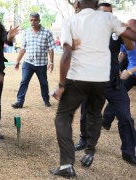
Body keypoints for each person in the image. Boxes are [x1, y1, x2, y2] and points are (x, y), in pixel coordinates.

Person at [49, 0, 136, 178]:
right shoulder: (103, 20)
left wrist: (61, 85)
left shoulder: (77, 21)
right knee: (92, 114)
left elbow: (66, 53)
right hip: (99, 79)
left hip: (93, 79)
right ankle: (88, 149)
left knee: (65, 117)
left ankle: (68, 163)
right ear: (96, 4)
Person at [74, 3, 136, 166]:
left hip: (113, 83)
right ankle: (84, 139)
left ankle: (128, 152)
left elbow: (130, 47)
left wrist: (124, 35)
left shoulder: (116, 31)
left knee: (125, 116)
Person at [11, 12, 55, 109]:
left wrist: (51, 62)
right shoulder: (26, 32)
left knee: (43, 82)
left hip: (41, 64)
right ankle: (19, 101)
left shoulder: (47, 32)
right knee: (24, 81)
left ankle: (46, 100)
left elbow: (51, 48)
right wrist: (17, 61)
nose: (33, 22)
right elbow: (23, 48)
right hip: (28, 63)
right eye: (31, 20)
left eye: (35, 20)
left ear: (39, 21)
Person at [103, 19, 136, 130]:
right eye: (126, 28)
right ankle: (106, 121)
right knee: (117, 94)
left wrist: (130, 71)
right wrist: (117, 67)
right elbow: (121, 54)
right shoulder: (125, 38)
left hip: (130, 72)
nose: (127, 31)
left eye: (129, 29)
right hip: (130, 73)